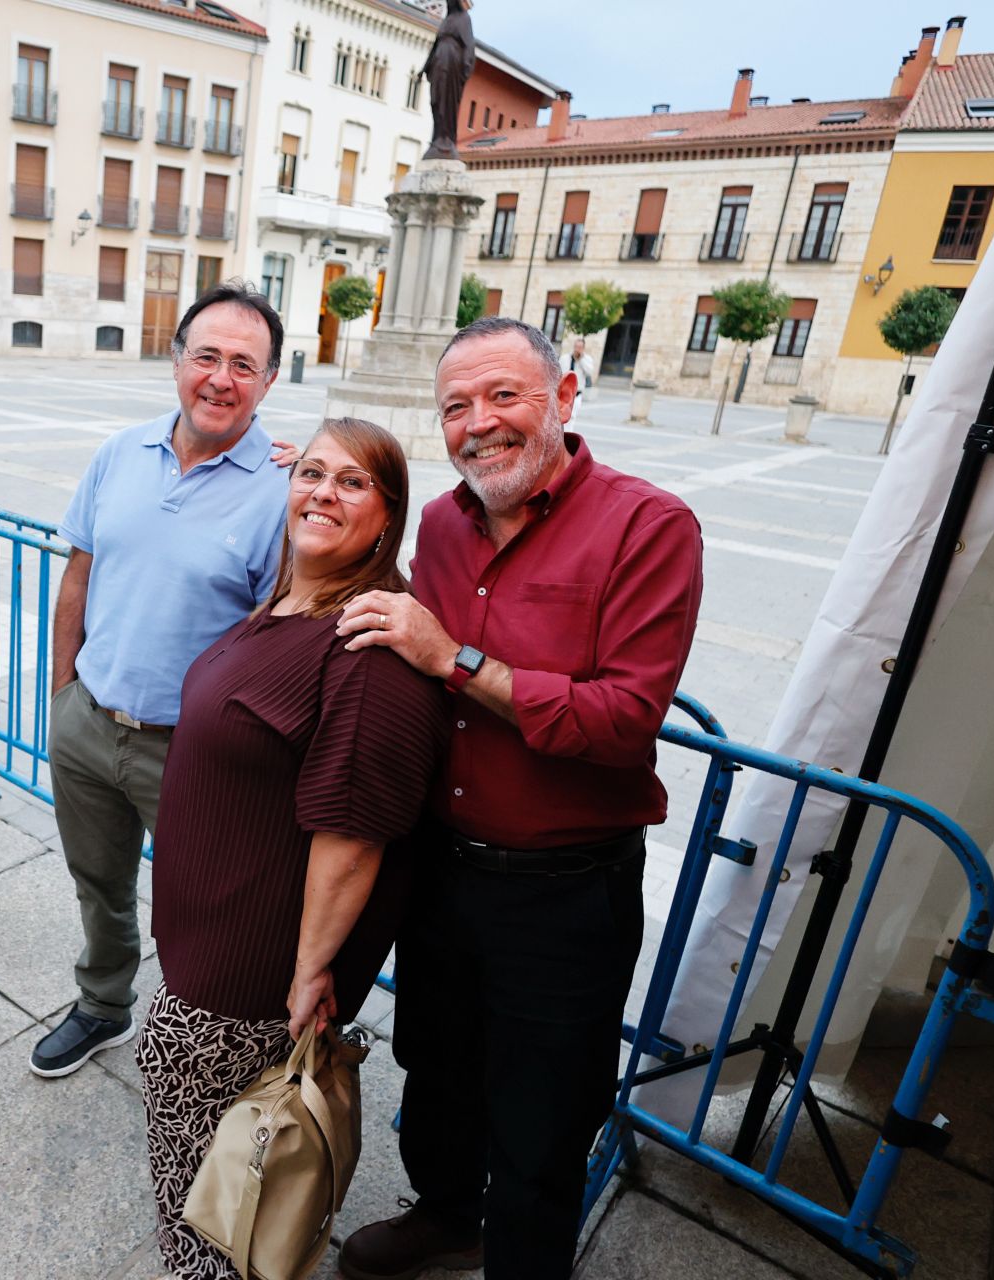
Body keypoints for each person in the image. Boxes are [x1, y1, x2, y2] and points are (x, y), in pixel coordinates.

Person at [333, 316, 703, 1280]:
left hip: (566, 892)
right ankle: (449, 1215)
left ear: (566, 397)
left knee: (543, 1116)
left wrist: (451, 659)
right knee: (439, 1069)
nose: (479, 423)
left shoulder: (648, 525)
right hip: (447, 868)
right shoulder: (448, 522)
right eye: (456, 406)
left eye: (504, 396)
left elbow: (624, 721)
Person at [139, 417, 449, 1279]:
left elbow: (352, 837)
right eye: (312, 471)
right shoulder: (290, 600)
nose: (322, 492)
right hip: (210, 938)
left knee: (220, 1183)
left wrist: (314, 972)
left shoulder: (364, 649)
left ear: (388, 517)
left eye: (353, 483)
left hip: (256, 968)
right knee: (207, 1159)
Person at [33, 281, 292, 1079]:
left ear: (271, 382)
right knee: (98, 882)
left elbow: (277, 640)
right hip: (88, 722)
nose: (221, 378)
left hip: (192, 753)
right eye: (206, 355)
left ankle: (201, 1041)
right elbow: (79, 574)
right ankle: (104, 1004)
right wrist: (62, 693)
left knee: (207, 911)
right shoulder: (121, 452)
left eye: (244, 364)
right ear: (176, 361)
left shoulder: (287, 489)